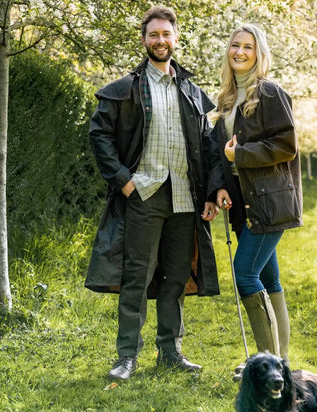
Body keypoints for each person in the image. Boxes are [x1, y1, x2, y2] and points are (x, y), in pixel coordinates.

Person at [85, 5, 222, 380]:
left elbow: (209, 145)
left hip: (185, 198)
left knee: (176, 276)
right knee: (137, 276)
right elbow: (99, 135)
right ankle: (126, 356)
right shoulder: (127, 89)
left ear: (176, 38)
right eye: (153, 35)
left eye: (166, 34)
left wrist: (212, 192)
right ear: (144, 40)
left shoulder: (192, 92)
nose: (160, 41)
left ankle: (170, 353)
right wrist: (124, 180)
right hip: (143, 195)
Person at [209, 23, 303, 378]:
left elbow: (286, 145)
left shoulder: (270, 92)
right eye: (235, 45)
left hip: (270, 202)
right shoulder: (227, 99)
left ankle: (267, 365)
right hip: (244, 201)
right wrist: (219, 185)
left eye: (248, 47)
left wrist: (242, 155)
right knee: (269, 277)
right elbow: (222, 154)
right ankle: (279, 362)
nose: (240, 52)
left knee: (245, 274)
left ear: (259, 53)